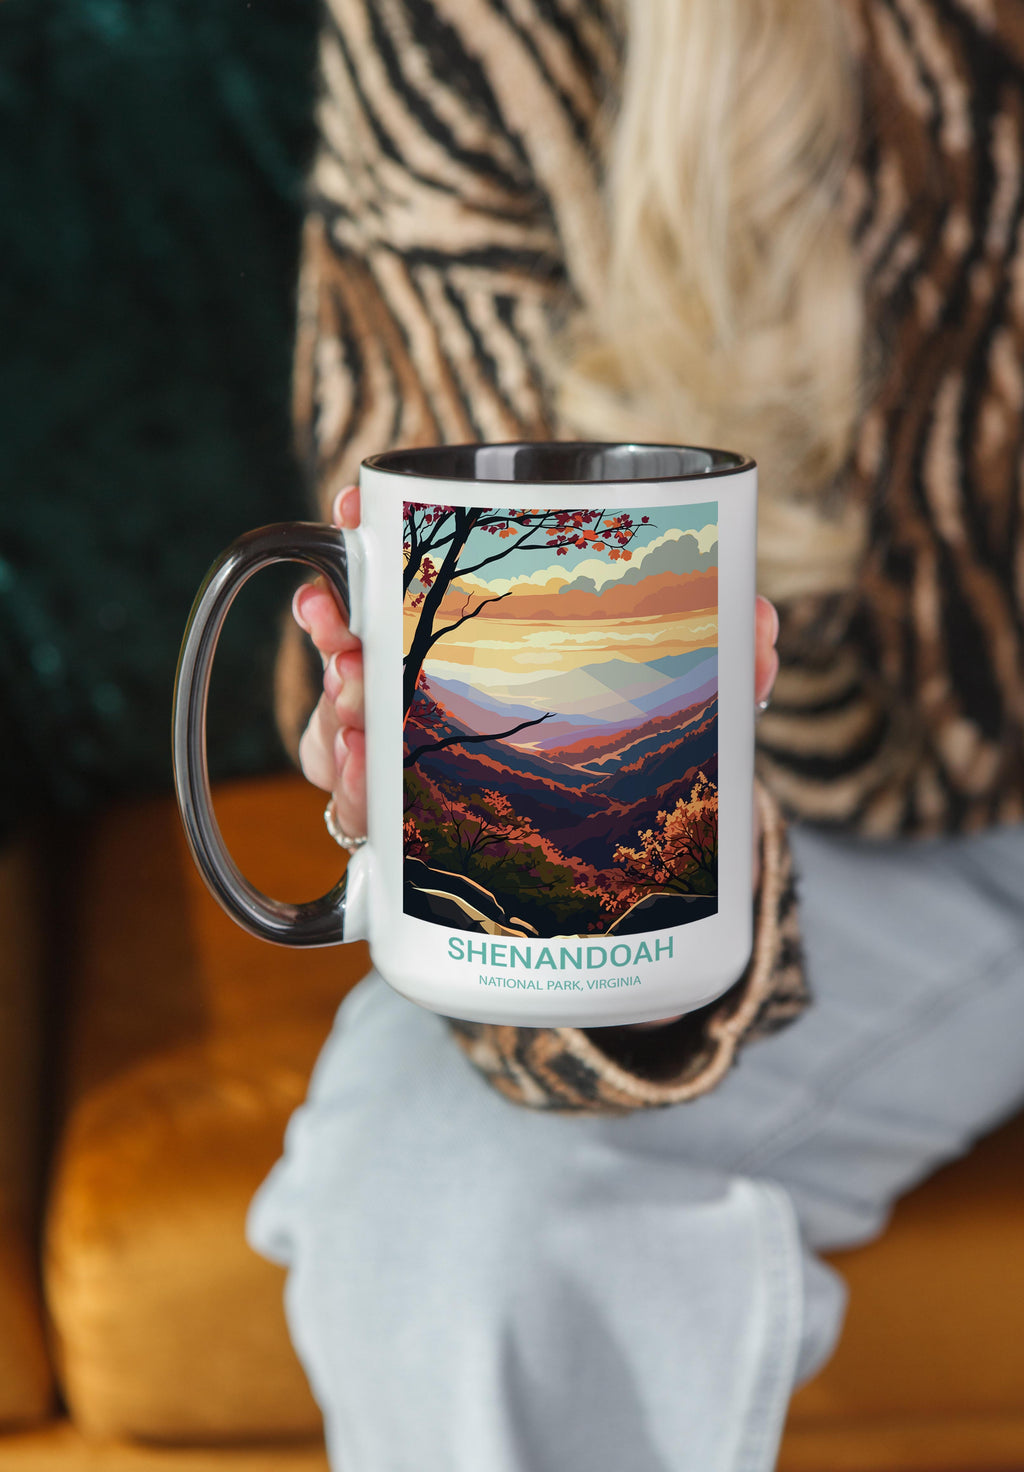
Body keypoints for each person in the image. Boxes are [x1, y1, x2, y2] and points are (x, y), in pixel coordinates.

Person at [247, 2, 1024, 1467]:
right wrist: (494, 806)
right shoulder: (471, 30)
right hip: (850, 827)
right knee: (449, 1202)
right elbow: (443, 533)